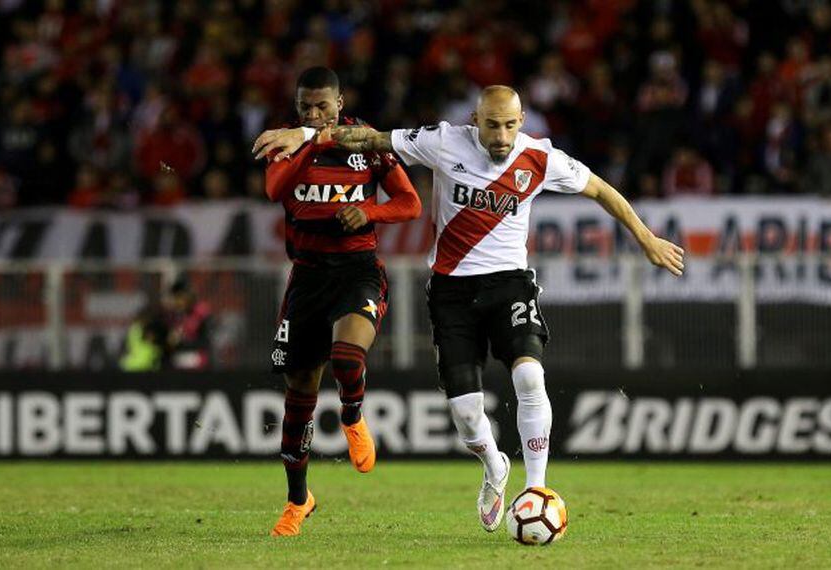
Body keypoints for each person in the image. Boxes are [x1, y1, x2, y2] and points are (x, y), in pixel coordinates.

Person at [253, 85, 683, 533]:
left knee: (529, 374)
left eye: (511, 126)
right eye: (492, 125)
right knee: (465, 412)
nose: (501, 136)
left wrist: (646, 239)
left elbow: (600, 190)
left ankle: (535, 489)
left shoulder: (541, 158)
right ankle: (494, 464)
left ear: (522, 123)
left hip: (509, 283)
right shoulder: (444, 141)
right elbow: (370, 139)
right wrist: (304, 134)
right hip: (451, 291)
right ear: (475, 120)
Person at [252, 66, 422, 536]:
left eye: (322, 105)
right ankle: (297, 500)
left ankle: (352, 414)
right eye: (305, 106)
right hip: (306, 277)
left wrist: (368, 210)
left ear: (340, 103)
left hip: (357, 270)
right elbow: (273, 190)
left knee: (348, 356)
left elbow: (410, 204)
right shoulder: (288, 143)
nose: (313, 113)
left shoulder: (365, 142)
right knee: (300, 393)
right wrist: (309, 137)